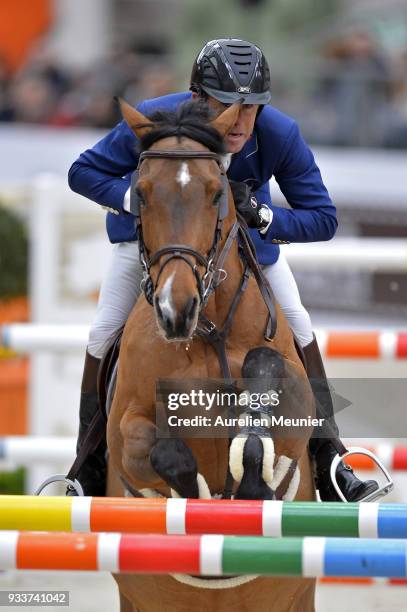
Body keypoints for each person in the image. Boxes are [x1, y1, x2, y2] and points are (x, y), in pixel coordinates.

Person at [68, 38, 378, 502]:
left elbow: (323, 217)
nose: (240, 121)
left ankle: (330, 455)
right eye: (227, 105)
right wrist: (138, 201)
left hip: (244, 249)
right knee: (104, 331)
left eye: (251, 107)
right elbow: (83, 171)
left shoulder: (279, 133)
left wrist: (268, 217)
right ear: (197, 100)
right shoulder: (155, 117)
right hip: (152, 245)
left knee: (300, 323)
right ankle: (87, 465)